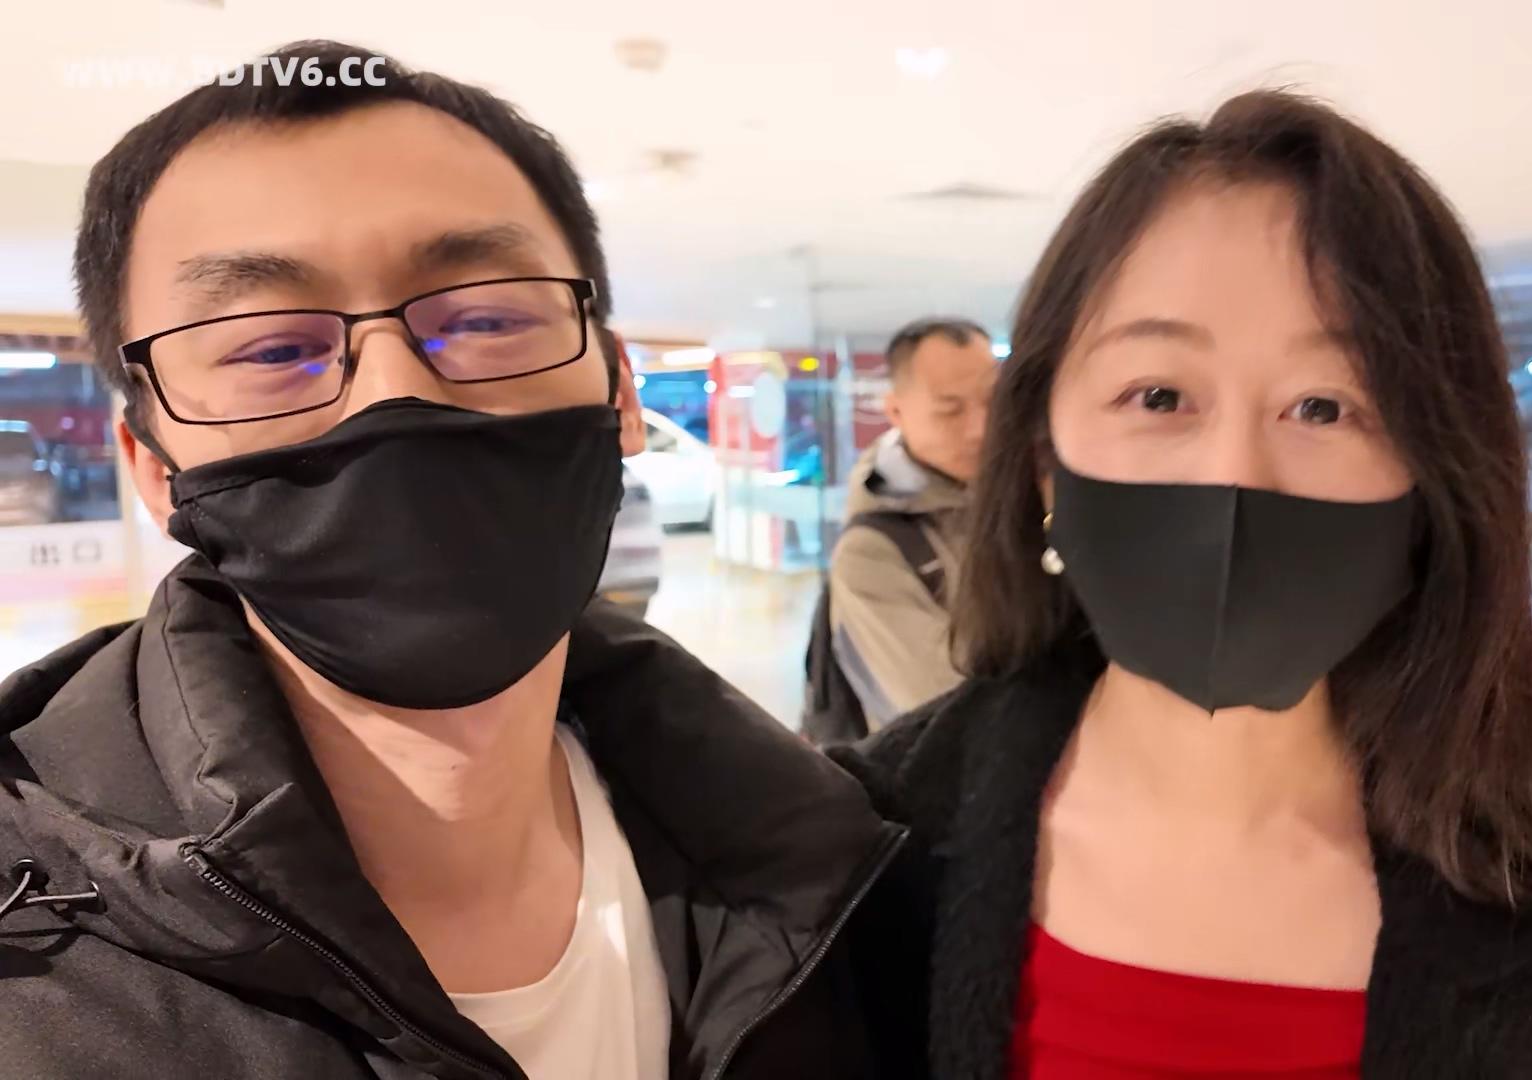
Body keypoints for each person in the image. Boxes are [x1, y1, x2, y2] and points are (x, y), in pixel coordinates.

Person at [0, 41, 902, 1080]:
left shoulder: (827, 862)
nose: (396, 392)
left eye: (485, 318)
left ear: (619, 395)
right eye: (270, 347)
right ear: (153, 467)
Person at [833, 89, 1532, 1079]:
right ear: (1045, 460)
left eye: (1324, 407)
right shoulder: (857, 858)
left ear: (1434, 477)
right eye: (1159, 394)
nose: (1234, 475)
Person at [808, 317, 997, 739]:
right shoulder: (872, 552)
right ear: (896, 411)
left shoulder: (1028, 494)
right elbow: (950, 721)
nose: (980, 428)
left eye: (993, 401)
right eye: (950, 410)